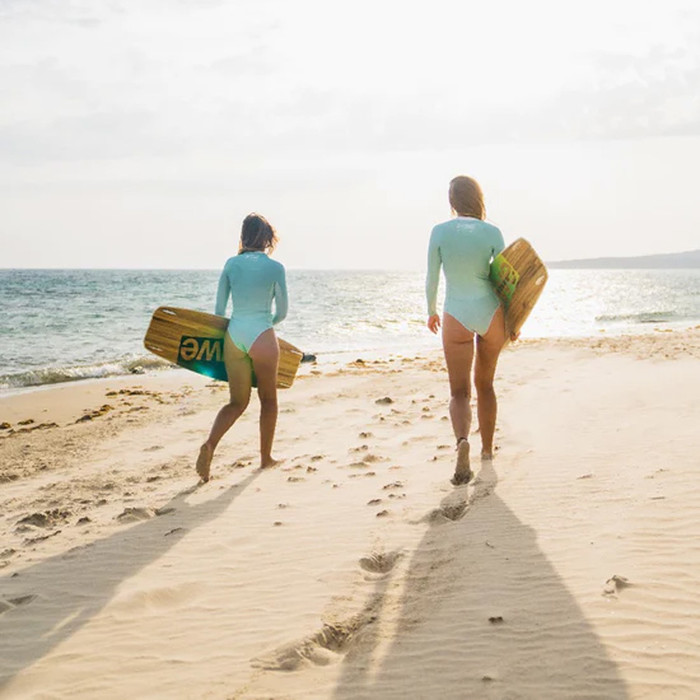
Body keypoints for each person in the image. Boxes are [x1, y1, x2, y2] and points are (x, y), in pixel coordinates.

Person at [426, 175, 514, 485]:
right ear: (478, 199)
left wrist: (431, 312)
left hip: (456, 314)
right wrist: (512, 322)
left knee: (459, 391)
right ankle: (487, 452)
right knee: (485, 385)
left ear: (452, 203)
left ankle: (462, 441)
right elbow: (506, 280)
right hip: (490, 313)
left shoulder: (439, 232)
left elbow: (432, 277)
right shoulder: (492, 232)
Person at [196, 213, 288, 482]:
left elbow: (218, 310)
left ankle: (210, 444)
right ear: (267, 238)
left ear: (244, 235)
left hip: (234, 336)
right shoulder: (276, 268)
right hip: (262, 334)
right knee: (268, 401)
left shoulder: (230, 264)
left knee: (237, 402)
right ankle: (265, 458)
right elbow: (282, 312)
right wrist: (266, 324)